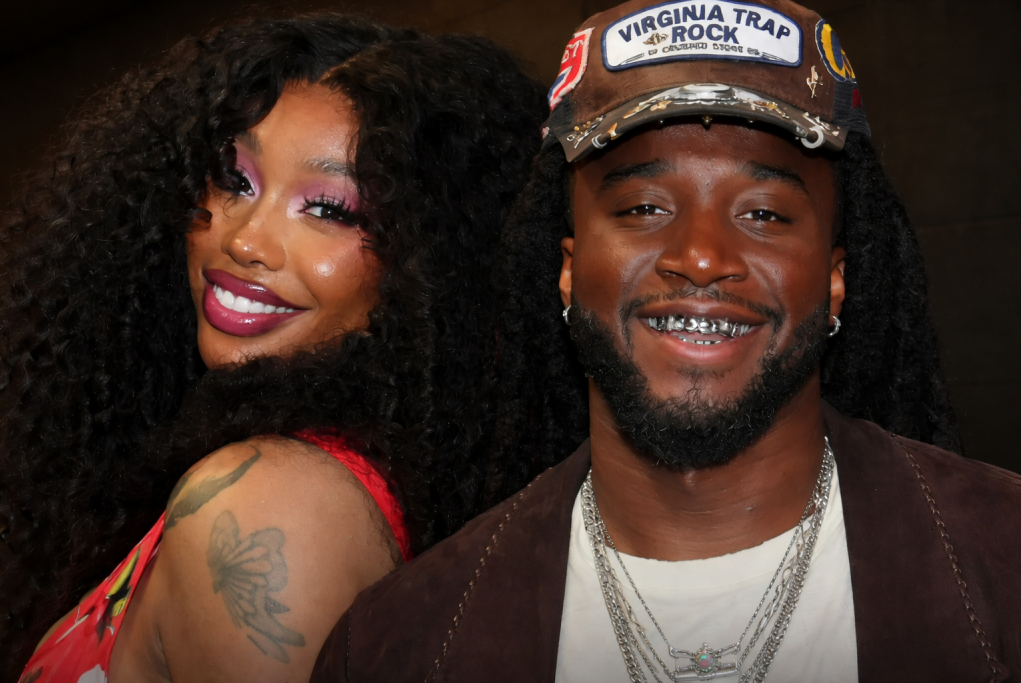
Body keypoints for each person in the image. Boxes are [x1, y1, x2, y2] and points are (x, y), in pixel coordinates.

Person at [311, 0, 1021, 681]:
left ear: (836, 279)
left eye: (765, 214)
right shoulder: (393, 647)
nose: (701, 257)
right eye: (644, 207)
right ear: (566, 271)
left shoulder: (1003, 557)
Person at [0, 14, 546, 683]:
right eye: (234, 179)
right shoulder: (303, 478)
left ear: (434, 269)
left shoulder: (268, 501)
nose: (246, 240)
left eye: (331, 209)